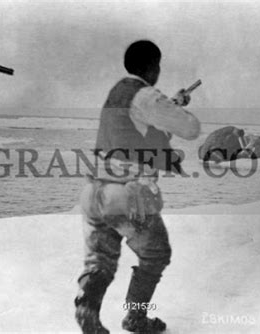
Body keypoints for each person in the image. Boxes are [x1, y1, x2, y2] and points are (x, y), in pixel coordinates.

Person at [75, 40, 200, 333]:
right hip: (127, 194)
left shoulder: (118, 92)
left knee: (102, 260)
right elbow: (189, 128)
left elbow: (142, 126)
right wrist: (175, 108)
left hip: (94, 191)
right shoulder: (147, 96)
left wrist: (172, 103)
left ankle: (87, 306)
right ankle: (135, 317)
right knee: (156, 254)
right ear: (152, 66)